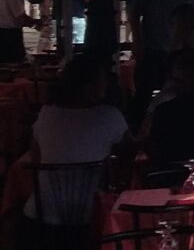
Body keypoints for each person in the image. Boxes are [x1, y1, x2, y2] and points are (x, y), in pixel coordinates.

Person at [25, 54, 130, 228]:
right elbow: (128, 154)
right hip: (93, 213)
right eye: (105, 80)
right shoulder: (109, 116)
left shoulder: (47, 113)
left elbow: (35, 156)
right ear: (90, 88)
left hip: (42, 213)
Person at [133, 0, 194, 116]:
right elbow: (135, 13)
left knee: (166, 93)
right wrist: (138, 40)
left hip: (171, 48)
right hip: (155, 46)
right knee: (147, 94)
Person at [0, 0, 29, 64]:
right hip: (11, 35)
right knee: (14, 65)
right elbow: (19, 18)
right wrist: (36, 22)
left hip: (3, 31)